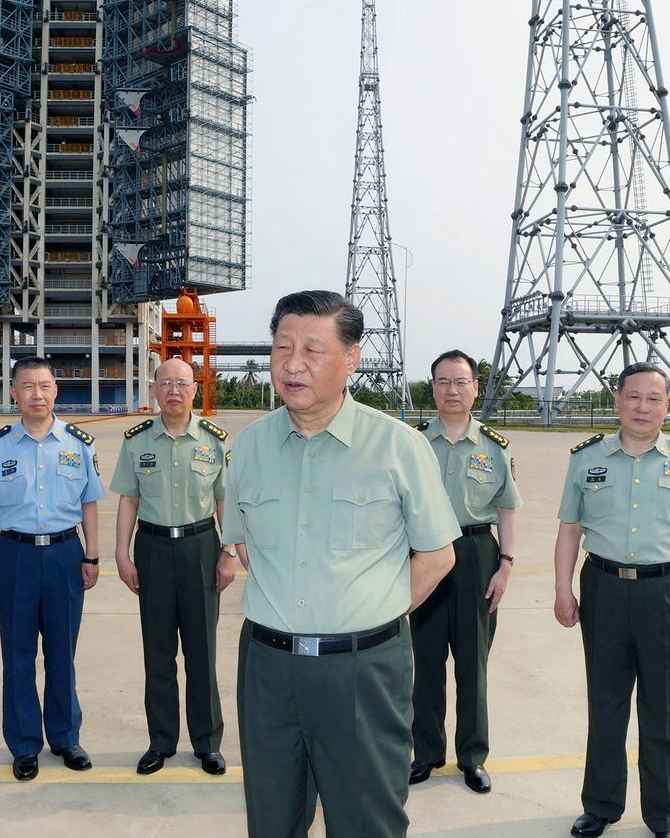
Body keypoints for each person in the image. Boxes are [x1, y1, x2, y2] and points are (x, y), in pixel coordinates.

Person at [221, 290, 461, 838]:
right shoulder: (251, 446)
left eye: (312, 349)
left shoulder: (398, 446)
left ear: (351, 360)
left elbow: (438, 555)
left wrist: (373, 612)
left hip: (362, 671)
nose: (292, 363)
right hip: (268, 667)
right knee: (271, 820)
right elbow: (244, 545)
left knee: (365, 822)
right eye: (282, 347)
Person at [554, 362, 670, 838]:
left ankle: (666, 817)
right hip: (604, 588)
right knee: (605, 702)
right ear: (617, 400)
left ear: (667, 404)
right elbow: (569, 529)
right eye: (633, 397)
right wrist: (562, 588)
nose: (643, 407)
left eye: (654, 398)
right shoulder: (587, 459)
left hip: (669, 591)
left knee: (667, 708)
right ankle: (601, 805)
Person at [0, 356, 104, 781]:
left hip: (65, 555)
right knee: (18, 654)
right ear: (14, 392)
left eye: (44, 385)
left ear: (56, 391)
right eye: (27, 386)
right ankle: (25, 745)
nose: (37, 394)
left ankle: (65, 738)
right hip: (15, 556)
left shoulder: (79, 443)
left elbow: (89, 505)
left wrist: (92, 555)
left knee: (63, 652)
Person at [110, 357, 236, 776]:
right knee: (158, 653)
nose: (174, 390)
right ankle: (161, 742)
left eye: (182, 383)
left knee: (202, 652)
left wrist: (228, 553)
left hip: (202, 548)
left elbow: (225, 502)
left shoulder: (214, 441)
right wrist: (121, 553)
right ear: (155, 390)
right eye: (166, 383)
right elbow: (128, 498)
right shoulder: (137, 441)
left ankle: (207, 743)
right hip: (153, 549)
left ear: (194, 389)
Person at [408, 349, 521, 794]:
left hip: (477, 555)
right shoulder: (413, 442)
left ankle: (472, 757)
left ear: (476, 387)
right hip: (424, 555)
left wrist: (505, 567)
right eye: (442, 381)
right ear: (432, 388)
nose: (451, 390)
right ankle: (427, 753)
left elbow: (508, 510)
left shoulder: (494, 448)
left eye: (460, 381)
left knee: (473, 664)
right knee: (426, 662)